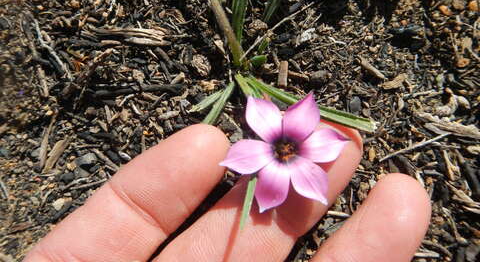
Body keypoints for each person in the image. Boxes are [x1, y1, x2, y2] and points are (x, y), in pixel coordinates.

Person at [25, 124, 431, 262]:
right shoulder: (264, 143)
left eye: (289, 149)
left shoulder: (301, 148)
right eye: (284, 149)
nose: (287, 150)